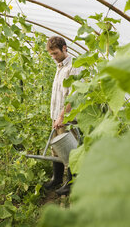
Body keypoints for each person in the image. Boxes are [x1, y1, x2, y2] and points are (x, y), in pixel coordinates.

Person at [43, 36, 83, 196]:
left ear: (64, 48)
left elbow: (73, 96)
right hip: (57, 116)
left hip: (67, 118)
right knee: (56, 149)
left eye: (55, 53)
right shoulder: (59, 66)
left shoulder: (73, 67)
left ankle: (71, 183)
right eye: (51, 54)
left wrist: (61, 117)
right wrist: (55, 117)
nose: (53, 57)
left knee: (69, 151)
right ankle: (57, 179)